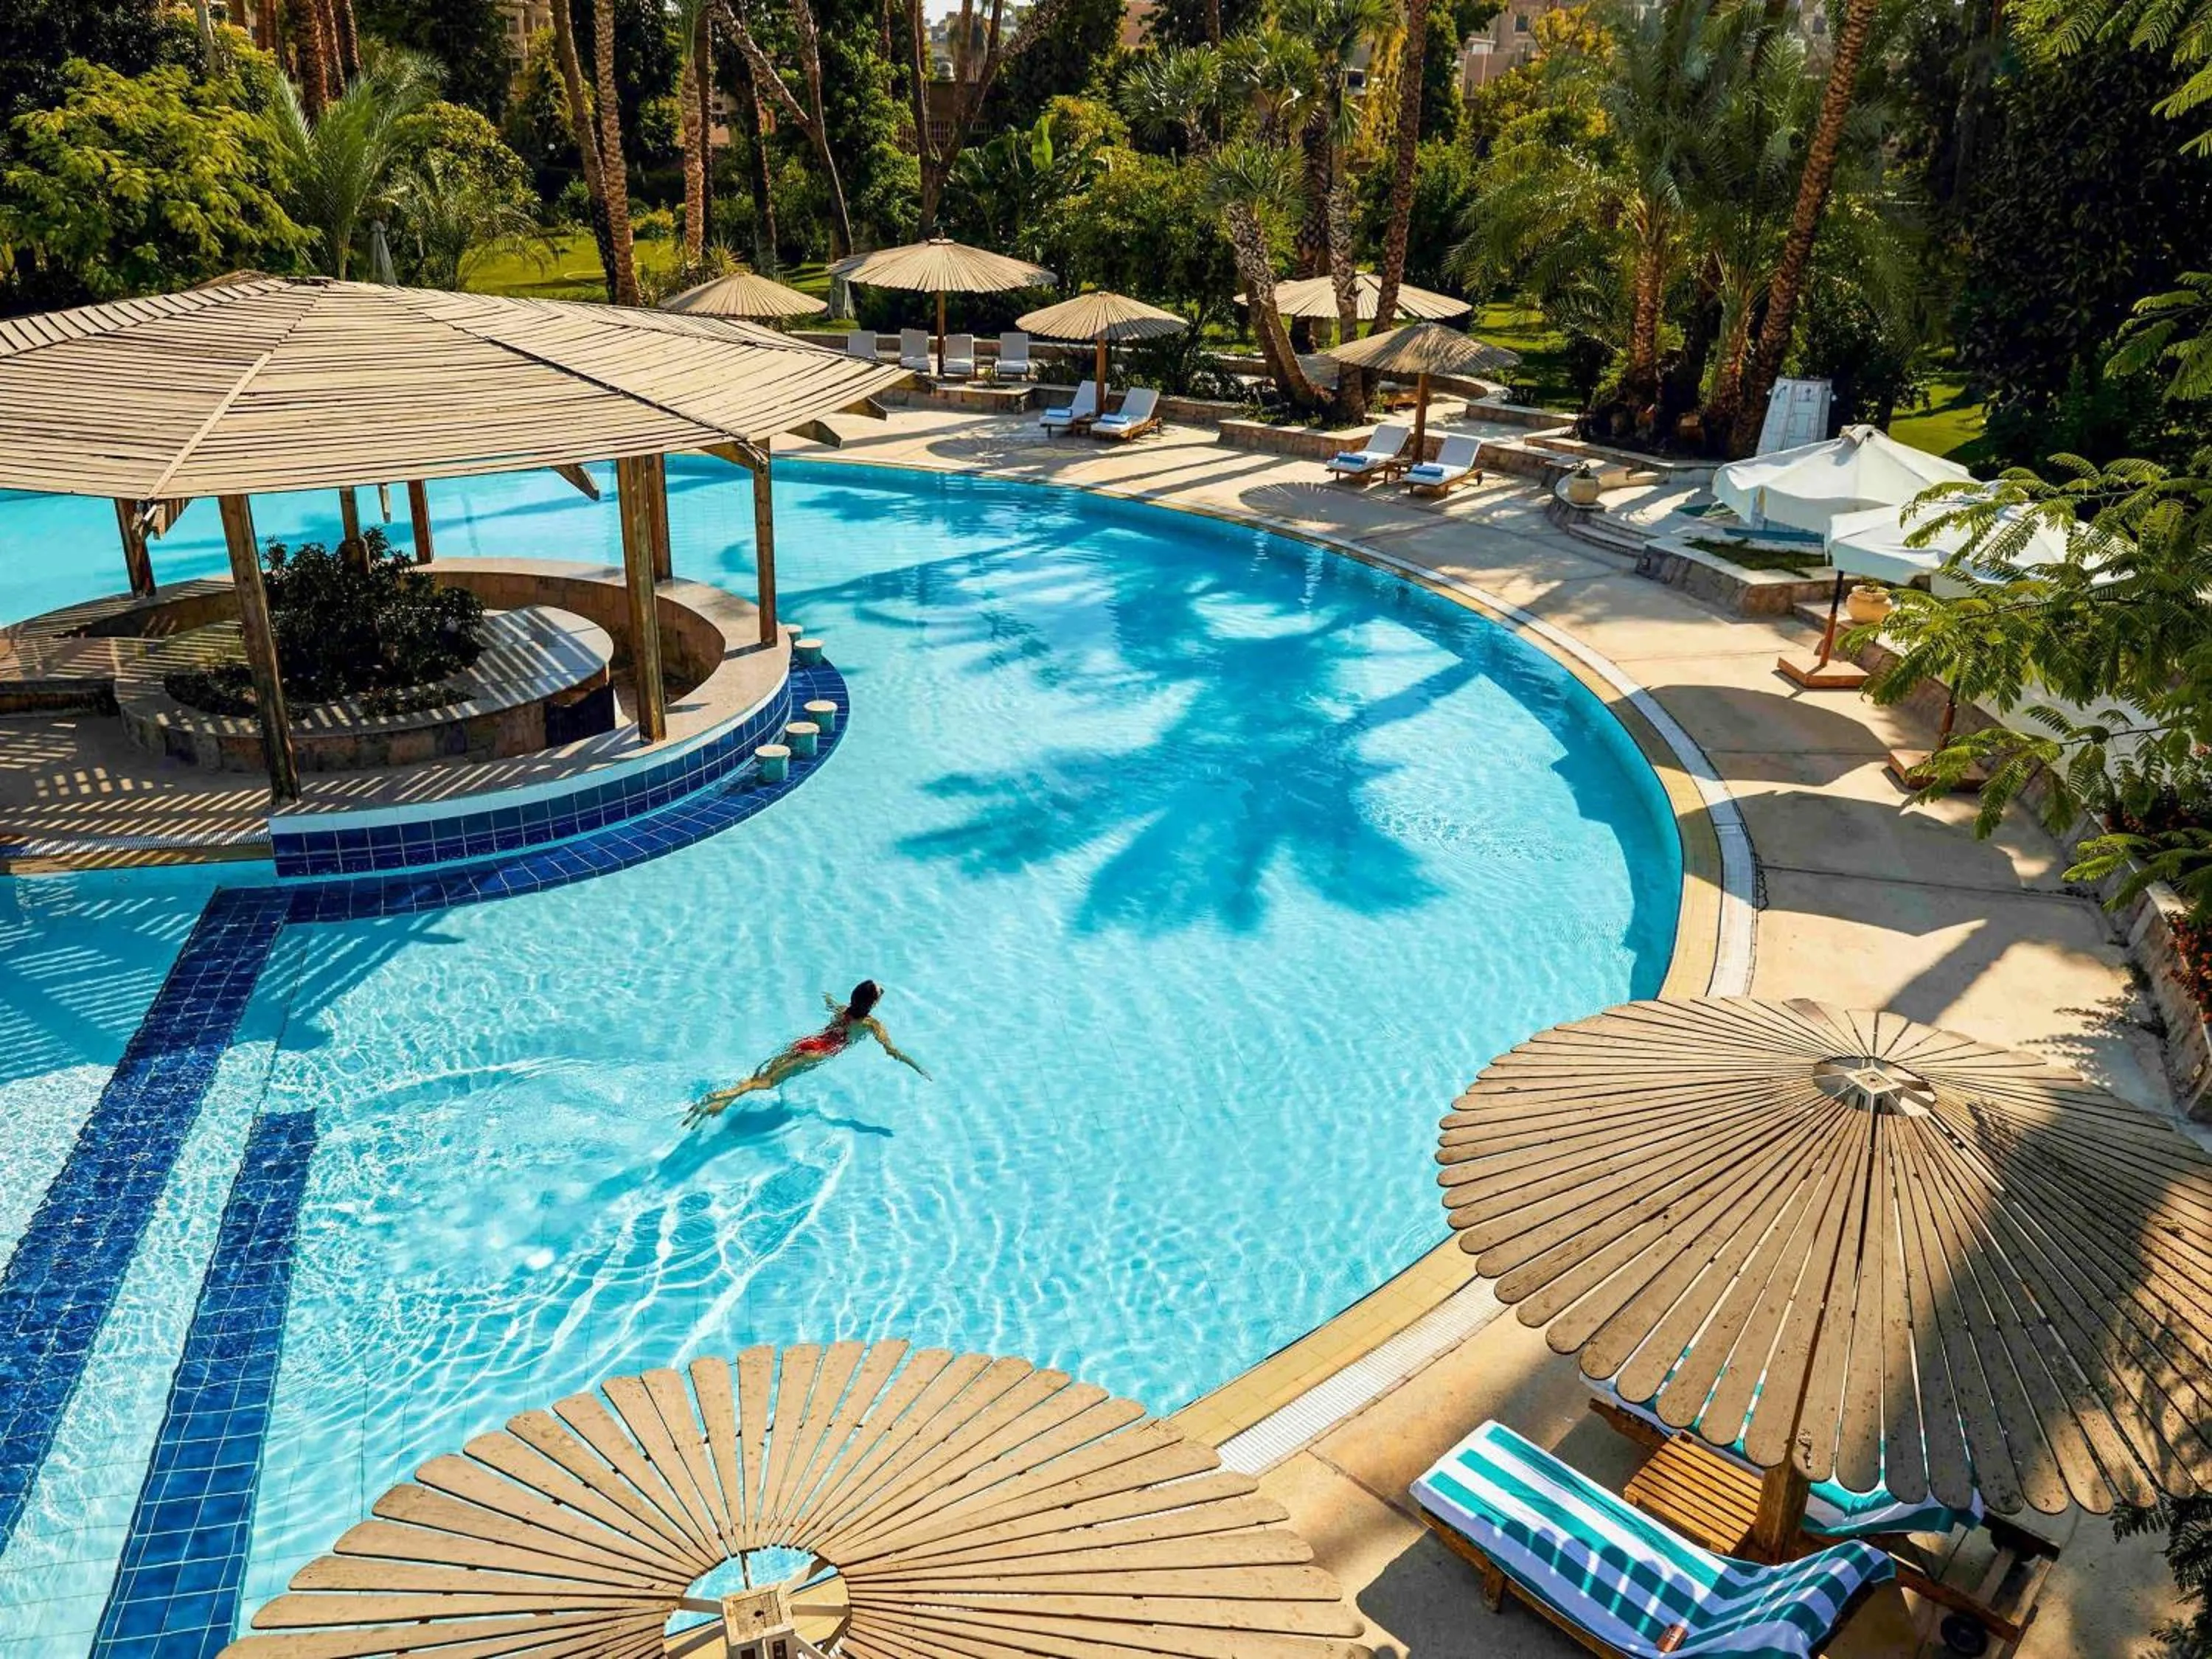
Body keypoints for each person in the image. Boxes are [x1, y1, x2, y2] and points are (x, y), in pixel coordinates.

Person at [685, 981, 929, 1126]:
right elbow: (892, 1051)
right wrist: (914, 1064)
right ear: (873, 1004)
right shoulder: (872, 1025)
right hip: (819, 1054)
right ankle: (720, 1095)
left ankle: (724, 1103)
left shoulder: (844, 1009)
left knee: (762, 1075)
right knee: (766, 1082)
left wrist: (827, 996)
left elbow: (831, 1006)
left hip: (807, 1043)